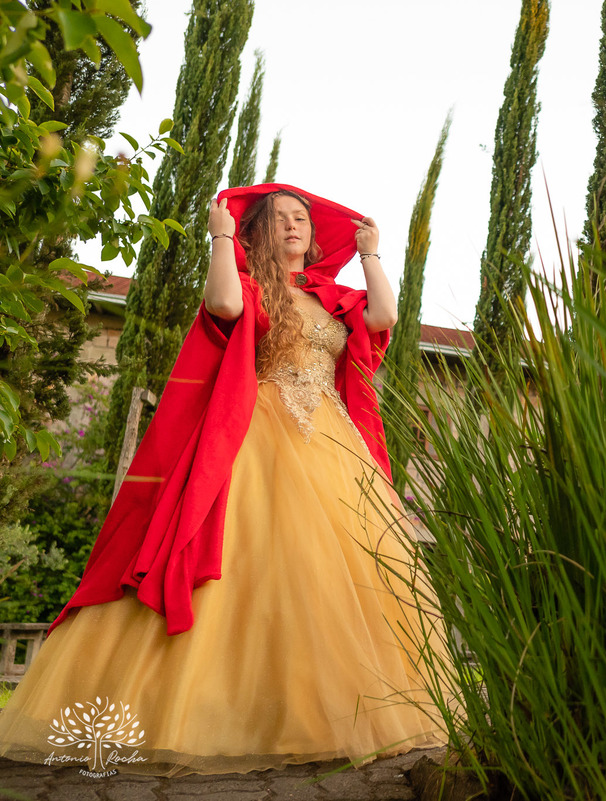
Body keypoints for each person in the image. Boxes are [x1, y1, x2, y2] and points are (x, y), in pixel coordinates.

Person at [0, 184, 449, 777]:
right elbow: (223, 305)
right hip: (258, 433)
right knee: (245, 563)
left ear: (313, 235)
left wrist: (370, 252)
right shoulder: (250, 286)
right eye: (279, 219)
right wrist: (221, 237)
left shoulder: (332, 297)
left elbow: (385, 316)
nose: (293, 226)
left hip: (334, 444)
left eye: (300, 218)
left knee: (327, 575)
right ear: (259, 231)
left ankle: (315, 714)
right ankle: (218, 713)